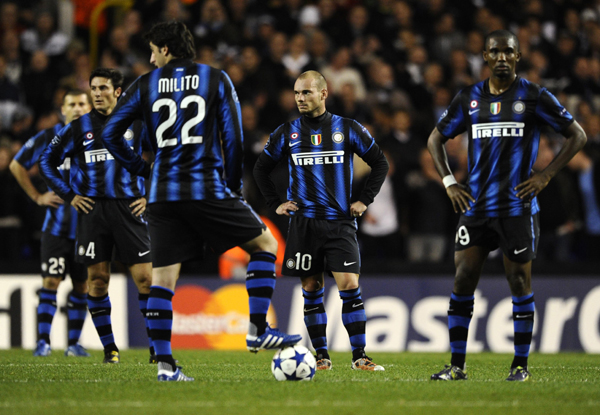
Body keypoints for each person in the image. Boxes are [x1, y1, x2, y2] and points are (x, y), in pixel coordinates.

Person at [101, 21, 301, 382]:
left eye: (152, 50)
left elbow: (111, 132)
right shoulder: (215, 78)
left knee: (163, 279)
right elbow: (233, 136)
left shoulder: (146, 84)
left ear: (165, 49)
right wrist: (233, 186)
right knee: (266, 244)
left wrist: (141, 168)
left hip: (161, 194)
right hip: (205, 187)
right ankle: (257, 328)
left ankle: (165, 367)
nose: (150, 57)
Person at [427, 30, 587, 382]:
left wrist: (545, 176)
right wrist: (450, 182)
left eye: (508, 51)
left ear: (518, 56)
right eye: (495, 51)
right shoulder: (469, 98)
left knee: (518, 281)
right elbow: (436, 138)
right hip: (477, 206)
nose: (502, 56)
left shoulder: (533, 96)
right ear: (484, 55)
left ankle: (520, 366)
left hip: (517, 208)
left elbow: (578, 134)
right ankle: (456, 366)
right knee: (463, 278)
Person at [254, 70, 389, 371]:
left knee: (349, 284)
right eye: (297, 93)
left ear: (324, 94)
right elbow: (260, 169)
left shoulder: (348, 128)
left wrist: (364, 200)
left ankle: (359, 356)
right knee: (312, 287)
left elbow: (380, 162)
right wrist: (276, 204)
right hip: (304, 224)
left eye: (307, 92)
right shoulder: (286, 132)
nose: (300, 98)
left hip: (340, 222)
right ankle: (321, 357)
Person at [39, 68, 155, 365]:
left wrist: (149, 195)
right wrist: (69, 195)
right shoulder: (78, 127)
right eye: (94, 88)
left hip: (130, 208)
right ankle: (110, 349)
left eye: (103, 88)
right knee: (98, 280)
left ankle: (157, 347)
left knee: (145, 279)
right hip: (93, 212)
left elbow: (164, 158)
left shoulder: (138, 123)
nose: (97, 93)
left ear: (118, 92)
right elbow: (47, 161)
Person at [9, 89, 91, 357]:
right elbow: (16, 165)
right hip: (55, 230)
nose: (77, 108)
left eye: (82, 104)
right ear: (63, 108)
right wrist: (36, 196)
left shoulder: (100, 137)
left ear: (89, 108)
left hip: (88, 229)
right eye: (72, 104)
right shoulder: (47, 137)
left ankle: (73, 344)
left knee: (83, 286)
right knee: (51, 283)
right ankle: (43, 341)